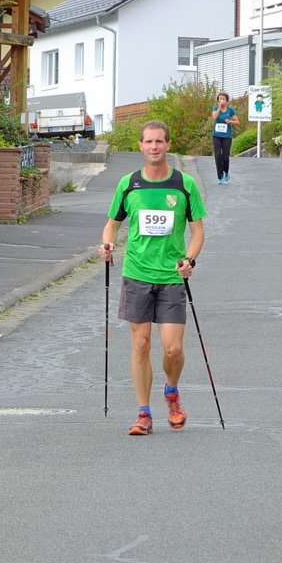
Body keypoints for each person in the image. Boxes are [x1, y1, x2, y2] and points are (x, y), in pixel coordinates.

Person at [99, 120, 206, 436]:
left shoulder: (184, 184)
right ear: (140, 146)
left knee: (173, 349)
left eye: (160, 141)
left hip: (172, 277)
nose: (154, 146)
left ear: (168, 144)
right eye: (149, 142)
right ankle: (143, 413)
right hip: (137, 274)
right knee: (141, 344)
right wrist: (106, 244)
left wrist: (190, 259)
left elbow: (198, 231)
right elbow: (112, 224)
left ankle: (171, 392)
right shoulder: (128, 184)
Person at [211, 92, 239, 184]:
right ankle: (220, 177)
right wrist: (219, 107)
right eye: (220, 99)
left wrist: (230, 121)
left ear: (226, 100)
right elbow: (214, 117)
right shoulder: (215, 108)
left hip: (227, 136)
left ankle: (226, 171)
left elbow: (237, 122)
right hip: (216, 136)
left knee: (225, 157)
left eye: (223, 99)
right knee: (218, 156)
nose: (222, 100)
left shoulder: (230, 110)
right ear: (218, 100)